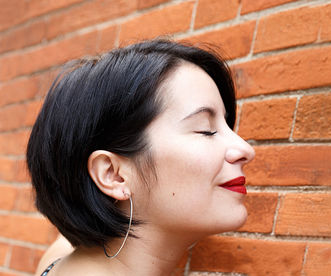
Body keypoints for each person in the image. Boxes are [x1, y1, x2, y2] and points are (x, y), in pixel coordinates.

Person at [27, 39, 255, 275]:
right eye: (205, 130)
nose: (245, 149)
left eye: (227, 125)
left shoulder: (58, 263)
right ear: (113, 174)